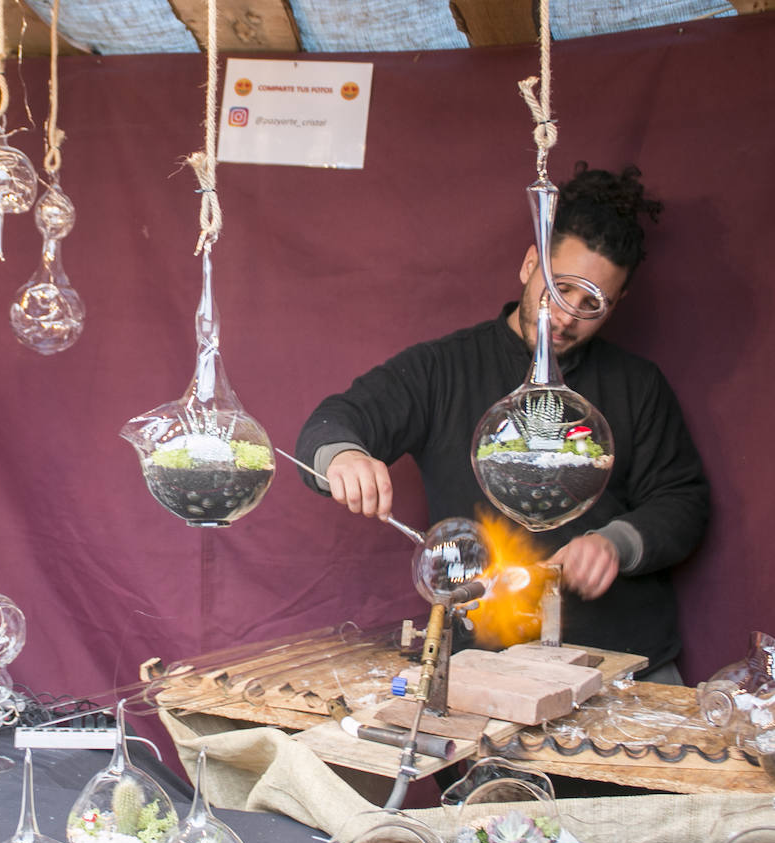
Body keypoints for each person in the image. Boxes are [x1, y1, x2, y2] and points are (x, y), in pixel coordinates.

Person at [295, 163, 708, 681]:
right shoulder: (442, 369)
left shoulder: (638, 385)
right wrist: (344, 455)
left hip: (624, 664)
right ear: (529, 263)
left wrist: (615, 543)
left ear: (618, 303)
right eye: (558, 289)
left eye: (592, 305)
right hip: (486, 665)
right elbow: (333, 423)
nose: (565, 317)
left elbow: (684, 500)